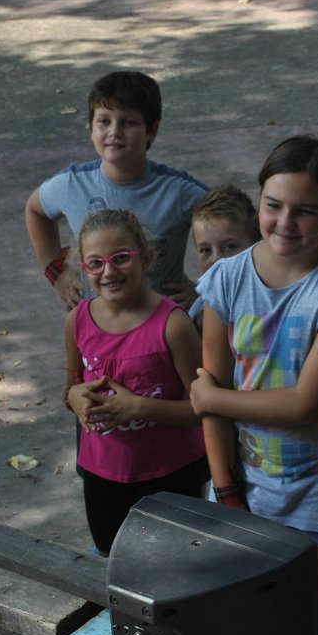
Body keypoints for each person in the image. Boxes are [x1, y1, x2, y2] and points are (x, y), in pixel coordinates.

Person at [189, 135, 318, 635]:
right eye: (274, 206)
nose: (285, 223)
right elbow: (214, 392)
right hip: (243, 491)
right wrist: (226, 487)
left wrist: (213, 398)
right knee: (248, 628)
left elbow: (305, 405)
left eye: (306, 211)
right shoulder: (227, 280)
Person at [63, 209, 206, 553]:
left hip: (172, 474)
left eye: (121, 258)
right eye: (95, 263)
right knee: (111, 559)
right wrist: (75, 397)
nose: (109, 271)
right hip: (101, 474)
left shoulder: (172, 324)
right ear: (83, 268)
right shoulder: (76, 321)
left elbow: (203, 408)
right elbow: (72, 387)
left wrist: (139, 407)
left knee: (175, 564)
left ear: (147, 257)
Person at [24, 71, 208, 311]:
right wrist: (57, 274)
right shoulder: (71, 185)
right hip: (97, 332)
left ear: (152, 130)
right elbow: (35, 211)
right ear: (91, 128)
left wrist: (206, 294)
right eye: (104, 121)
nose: (114, 131)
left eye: (128, 122)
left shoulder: (179, 192)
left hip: (166, 332)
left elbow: (237, 229)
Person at [186, 184, 259, 329]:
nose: (217, 259)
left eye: (230, 247)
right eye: (206, 250)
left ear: (257, 244)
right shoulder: (199, 315)